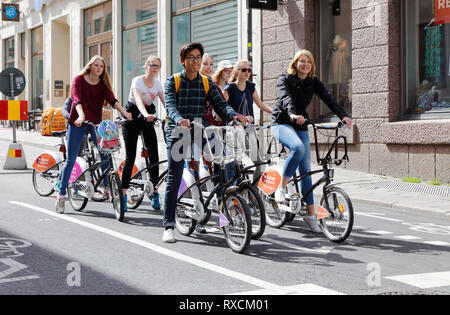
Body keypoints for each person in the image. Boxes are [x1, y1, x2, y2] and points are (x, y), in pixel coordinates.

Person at [163, 42, 247, 243]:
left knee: (222, 162)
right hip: (178, 130)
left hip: (201, 127)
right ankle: (168, 225)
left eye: (198, 57)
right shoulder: (172, 82)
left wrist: (235, 115)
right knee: (174, 176)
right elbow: (170, 107)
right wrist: (178, 119)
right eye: (191, 57)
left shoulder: (206, 82)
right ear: (182, 61)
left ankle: (222, 211)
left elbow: (221, 106)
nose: (196, 61)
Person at [271, 49, 352, 233]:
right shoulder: (284, 79)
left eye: (308, 61)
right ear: (295, 64)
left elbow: (328, 98)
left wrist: (344, 115)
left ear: (312, 65)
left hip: (300, 124)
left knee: (306, 171)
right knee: (298, 148)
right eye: (301, 61)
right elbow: (285, 98)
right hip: (282, 123)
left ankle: (310, 215)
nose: (305, 64)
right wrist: (292, 113)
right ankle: (281, 188)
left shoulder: (313, 81)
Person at [55, 55, 132, 214]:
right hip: (78, 121)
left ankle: (106, 187)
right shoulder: (79, 80)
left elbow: (112, 100)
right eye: (96, 65)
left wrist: (125, 113)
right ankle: (61, 194)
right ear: (90, 66)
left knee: (106, 153)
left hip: (96, 123)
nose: (99, 68)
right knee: (71, 158)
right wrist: (81, 116)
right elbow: (77, 100)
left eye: (102, 66)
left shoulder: (102, 84)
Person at [122, 55, 165, 211]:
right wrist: (145, 114)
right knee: (130, 157)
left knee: (154, 155)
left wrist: (174, 116)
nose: (155, 68)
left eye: (157, 66)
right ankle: (124, 193)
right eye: (152, 65)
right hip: (133, 117)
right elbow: (139, 100)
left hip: (147, 118)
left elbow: (164, 100)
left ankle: (154, 192)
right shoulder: (137, 80)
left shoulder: (158, 83)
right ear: (146, 67)